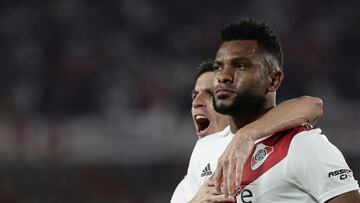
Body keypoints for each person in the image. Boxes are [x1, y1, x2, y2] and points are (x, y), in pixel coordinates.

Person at [194, 19, 359, 202]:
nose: (223, 76)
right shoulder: (204, 150)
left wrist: (246, 134)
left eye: (240, 65)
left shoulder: (303, 145)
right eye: (218, 67)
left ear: (274, 80)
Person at [171, 59, 324, 202]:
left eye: (210, 94)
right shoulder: (196, 166)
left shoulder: (263, 136)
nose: (196, 103)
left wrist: (246, 134)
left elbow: (311, 105)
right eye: (194, 95)